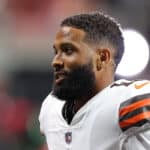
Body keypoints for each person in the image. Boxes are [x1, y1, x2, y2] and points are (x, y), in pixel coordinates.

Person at [39, 11, 150, 150]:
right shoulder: (51, 107)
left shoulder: (123, 103)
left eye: (68, 51)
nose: (55, 61)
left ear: (102, 58)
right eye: (56, 52)